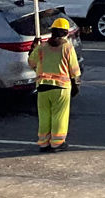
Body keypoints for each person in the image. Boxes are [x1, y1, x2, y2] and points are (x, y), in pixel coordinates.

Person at [29, 17, 81, 152]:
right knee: (59, 115)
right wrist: (76, 86)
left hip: (43, 87)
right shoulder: (67, 48)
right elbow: (74, 70)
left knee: (44, 115)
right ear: (65, 33)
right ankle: (57, 143)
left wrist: (32, 48)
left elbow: (31, 63)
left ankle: (43, 143)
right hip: (61, 88)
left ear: (52, 31)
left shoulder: (41, 48)